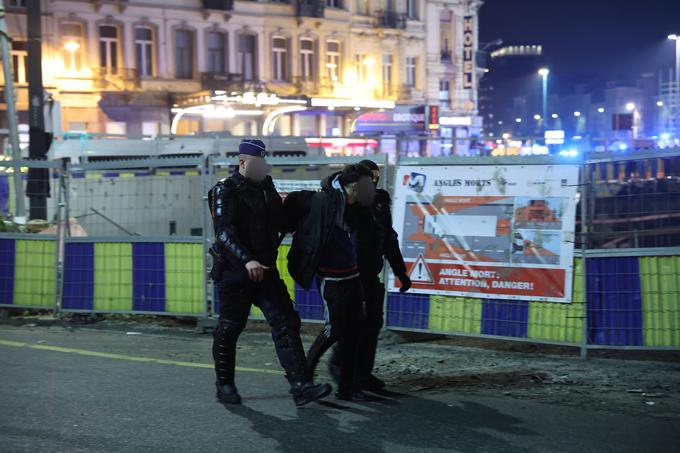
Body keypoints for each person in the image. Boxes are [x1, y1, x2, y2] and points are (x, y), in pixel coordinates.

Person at [208, 139, 331, 407]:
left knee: (286, 322)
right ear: (243, 162)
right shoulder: (225, 190)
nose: (264, 167)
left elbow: (281, 221)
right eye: (258, 162)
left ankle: (301, 386)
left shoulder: (266, 188)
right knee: (230, 328)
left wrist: (308, 203)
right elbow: (224, 233)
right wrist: (247, 260)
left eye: (265, 161)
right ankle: (225, 384)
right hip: (235, 274)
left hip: (266, 271)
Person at [283, 164, 376, 401]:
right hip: (332, 278)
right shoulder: (324, 202)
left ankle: (348, 388)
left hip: (353, 276)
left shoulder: (358, 207)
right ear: (354, 186)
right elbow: (297, 220)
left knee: (355, 331)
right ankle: (303, 382)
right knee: (333, 329)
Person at [331, 159, 411, 392]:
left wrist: (400, 272)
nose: (373, 182)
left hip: (369, 275)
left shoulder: (379, 202)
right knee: (351, 327)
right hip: (348, 275)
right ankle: (342, 372)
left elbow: (388, 238)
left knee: (372, 323)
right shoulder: (345, 202)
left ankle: (363, 374)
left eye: (375, 177)